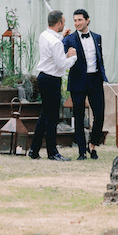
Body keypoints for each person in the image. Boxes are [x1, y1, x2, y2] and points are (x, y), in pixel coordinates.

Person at [28, 10, 77, 161]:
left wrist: (62, 37)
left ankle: (34, 150)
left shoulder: (45, 35)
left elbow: (53, 47)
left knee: (45, 115)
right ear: (58, 24)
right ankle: (52, 152)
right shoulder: (55, 42)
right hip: (52, 80)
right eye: (63, 22)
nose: (64, 24)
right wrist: (73, 57)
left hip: (43, 77)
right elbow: (61, 64)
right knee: (52, 117)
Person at [63, 8, 107, 160]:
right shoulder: (69, 39)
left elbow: (99, 58)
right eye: (75, 20)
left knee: (99, 115)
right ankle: (81, 151)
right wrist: (63, 41)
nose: (77, 23)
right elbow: (60, 55)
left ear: (87, 20)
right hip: (77, 81)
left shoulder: (97, 37)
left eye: (80, 20)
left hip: (95, 79)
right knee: (79, 116)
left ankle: (92, 145)